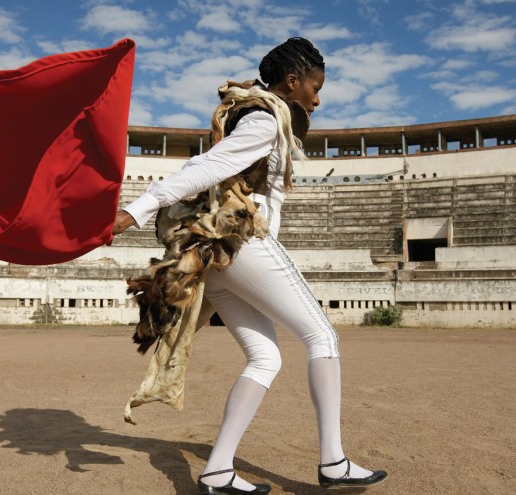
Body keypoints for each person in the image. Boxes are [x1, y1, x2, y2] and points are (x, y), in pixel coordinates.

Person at [112, 38, 387, 495]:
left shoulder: (256, 115)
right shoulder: (264, 119)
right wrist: (136, 209)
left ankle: (218, 470)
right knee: (323, 336)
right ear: (292, 81)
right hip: (241, 241)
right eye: (314, 87)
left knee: (266, 356)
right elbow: (207, 167)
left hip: (215, 257)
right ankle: (333, 462)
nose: (317, 99)